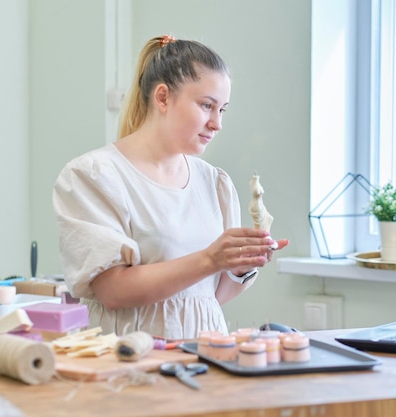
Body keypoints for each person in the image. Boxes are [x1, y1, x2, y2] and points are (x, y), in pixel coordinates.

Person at [53, 35, 289, 340]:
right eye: (207, 106)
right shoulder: (94, 176)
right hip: (126, 358)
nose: (217, 123)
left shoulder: (215, 183)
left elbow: (208, 296)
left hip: (204, 355)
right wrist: (211, 258)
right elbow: (112, 290)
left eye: (222, 110)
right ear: (163, 98)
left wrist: (241, 264)